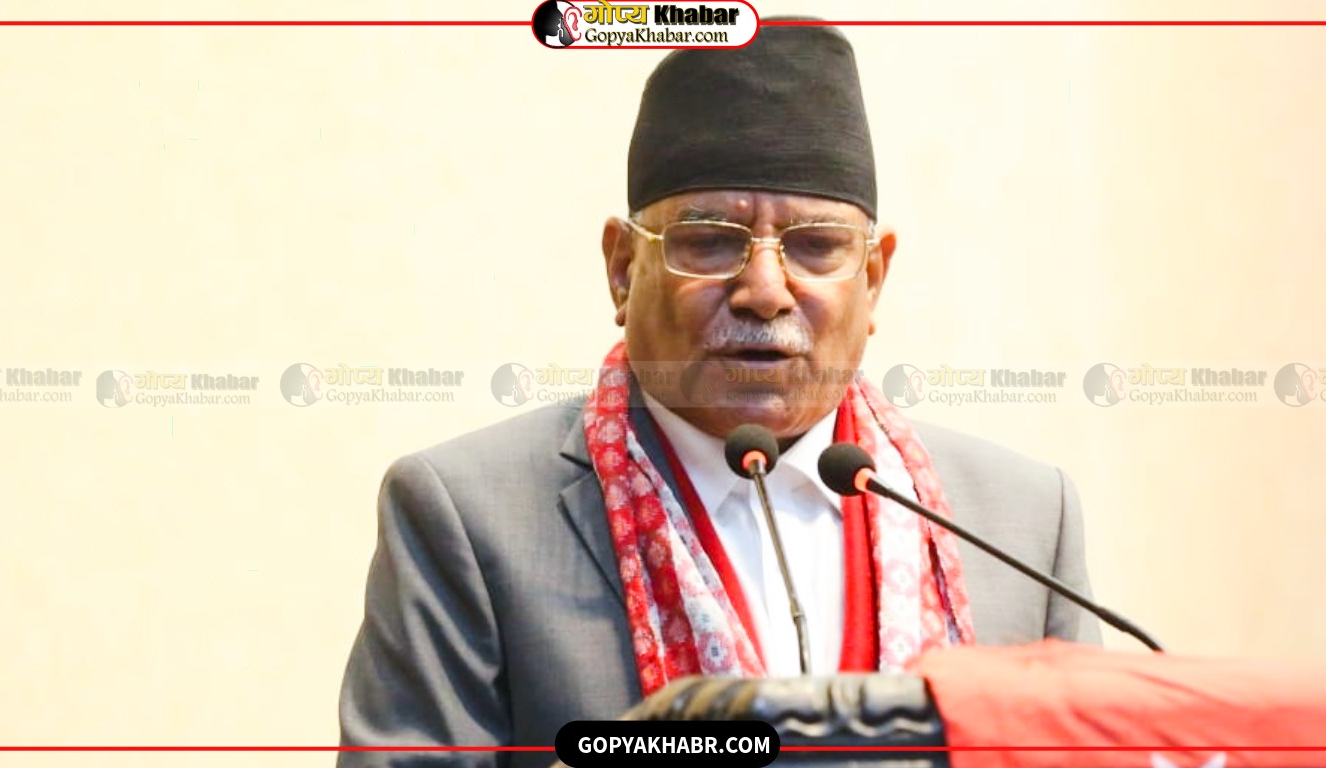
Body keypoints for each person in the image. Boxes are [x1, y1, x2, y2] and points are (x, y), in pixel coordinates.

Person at [337, 21, 1101, 768]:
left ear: (872, 280)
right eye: (709, 241)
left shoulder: (1022, 524)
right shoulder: (471, 518)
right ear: (622, 269)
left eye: (816, 247)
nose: (764, 291)